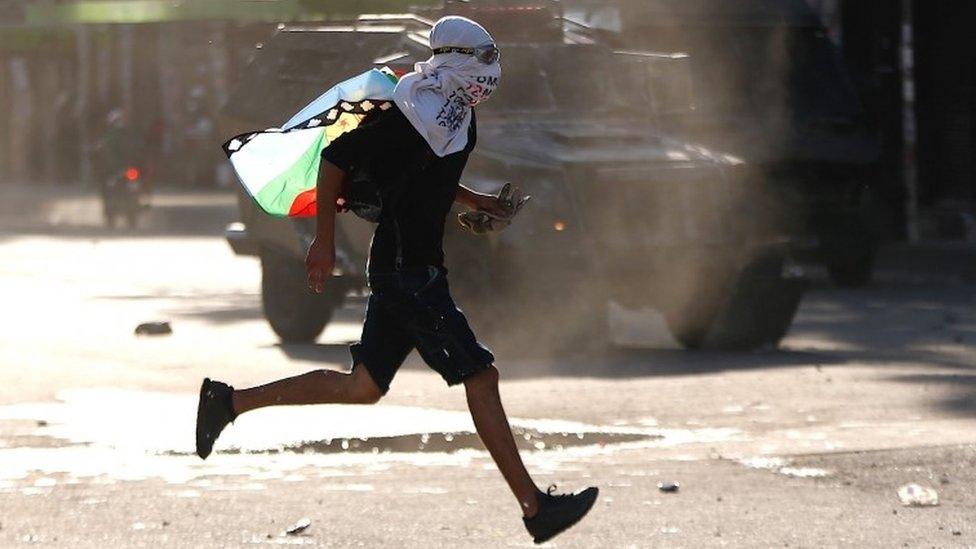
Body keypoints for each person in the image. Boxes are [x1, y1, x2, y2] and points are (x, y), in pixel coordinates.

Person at [195, 16, 598, 544]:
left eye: (490, 59)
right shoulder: (408, 112)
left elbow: (433, 174)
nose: (489, 72)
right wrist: (321, 240)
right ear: (451, 58)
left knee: (362, 387)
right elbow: (336, 159)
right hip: (407, 272)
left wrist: (477, 202)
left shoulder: (457, 116)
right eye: (481, 60)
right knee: (481, 377)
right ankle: (534, 507)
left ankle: (227, 402)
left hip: (412, 266)